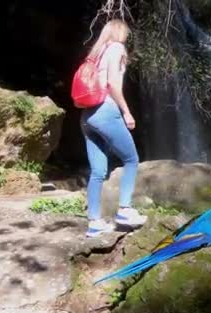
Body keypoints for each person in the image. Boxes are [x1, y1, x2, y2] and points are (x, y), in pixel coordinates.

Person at [79, 19, 146, 238]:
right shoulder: (117, 48)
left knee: (98, 172)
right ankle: (125, 210)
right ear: (119, 32)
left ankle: (94, 222)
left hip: (87, 116)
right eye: (126, 33)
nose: (127, 37)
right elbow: (113, 85)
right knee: (131, 159)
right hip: (106, 112)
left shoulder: (95, 54)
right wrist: (126, 111)